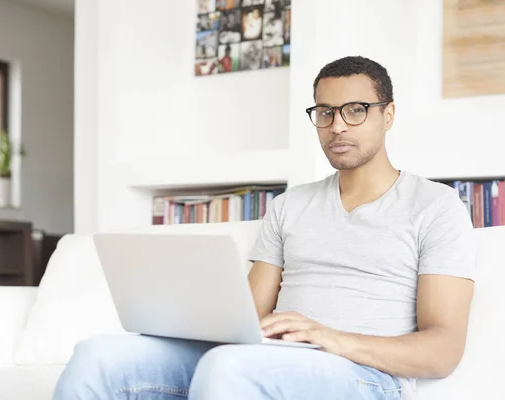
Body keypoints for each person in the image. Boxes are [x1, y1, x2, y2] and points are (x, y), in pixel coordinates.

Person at [53, 56, 476, 400]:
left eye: (356, 110)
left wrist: (331, 338)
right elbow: (249, 316)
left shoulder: (436, 207)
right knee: (97, 356)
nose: (338, 126)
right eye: (325, 113)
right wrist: (187, 317)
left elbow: (443, 350)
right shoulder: (289, 206)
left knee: (227, 369)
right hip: (268, 357)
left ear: (388, 115)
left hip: (365, 375)